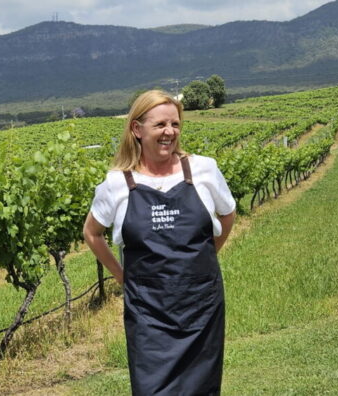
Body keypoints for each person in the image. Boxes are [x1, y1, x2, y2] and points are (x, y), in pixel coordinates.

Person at [83, 90, 236, 395]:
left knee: (202, 389)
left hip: (201, 308)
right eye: (160, 125)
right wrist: (121, 276)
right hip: (149, 313)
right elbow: (91, 233)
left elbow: (228, 215)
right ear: (137, 130)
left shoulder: (204, 169)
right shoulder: (117, 183)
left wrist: (202, 259)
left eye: (175, 124)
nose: (170, 132)